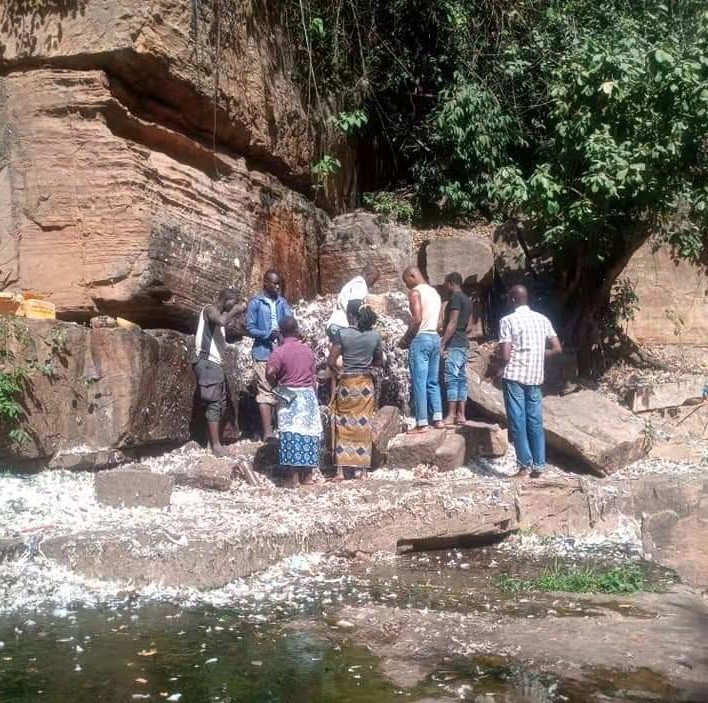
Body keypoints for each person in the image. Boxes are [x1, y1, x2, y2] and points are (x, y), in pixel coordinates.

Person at [498, 284, 562, 478]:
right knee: (535, 420)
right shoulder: (542, 320)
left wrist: (498, 368)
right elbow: (557, 349)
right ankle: (540, 465)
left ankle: (524, 465)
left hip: (514, 375)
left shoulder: (507, 320)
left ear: (513, 299)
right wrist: (538, 353)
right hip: (535, 376)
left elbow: (506, 354)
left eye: (509, 299)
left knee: (518, 420)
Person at [327, 300, 383, 480]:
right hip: (365, 386)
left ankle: (341, 471)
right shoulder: (375, 336)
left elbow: (330, 361)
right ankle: (362, 470)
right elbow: (379, 362)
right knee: (363, 425)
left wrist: (340, 372)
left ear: (350, 316)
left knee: (343, 423)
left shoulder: (341, 334)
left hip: (347, 385)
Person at [266, 317, 321, 489]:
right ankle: (309, 476)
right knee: (309, 434)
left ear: (280, 332)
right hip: (308, 395)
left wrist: (274, 385)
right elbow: (313, 377)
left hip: (289, 396)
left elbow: (270, 371)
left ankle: (294, 479)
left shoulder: (279, 351)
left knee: (291, 435)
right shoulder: (307, 350)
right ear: (296, 331)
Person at [193, 289, 246, 456]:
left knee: (221, 403)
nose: (234, 306)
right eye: (233, 302)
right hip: (207, 362)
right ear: (226, 300)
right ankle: (215, 446)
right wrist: (236, 309)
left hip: (215, 364)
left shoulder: (220, 314)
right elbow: (222, 321)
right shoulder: (210, 310)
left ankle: (213, 442)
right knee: (214, 403)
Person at [246, 270, 292, 441]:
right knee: (265, 389)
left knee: (281, 389)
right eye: (275, 283)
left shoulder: (282, 302)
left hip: (282, 352)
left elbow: (290, 321)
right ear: (266, 283)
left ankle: (281, 427)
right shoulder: (256, 303)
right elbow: (250, 329)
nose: (278, 286)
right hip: (263, 352)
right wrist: (267, 334)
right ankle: (267, 433)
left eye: (279, 283)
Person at [398, 266, 444, 432]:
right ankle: (438, 419)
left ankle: (422, 422)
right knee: (433, 381)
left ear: (412, 275)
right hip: (435, 338)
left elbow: (417, 319)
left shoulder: (415, 293)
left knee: (419, 381)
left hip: (421, 339)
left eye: (406, 282)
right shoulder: (435, 294)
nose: (407, 286)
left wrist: (405, 339)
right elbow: (439, 324)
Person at [440, 272, 472, 425]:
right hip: (464, 344)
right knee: (462, 379)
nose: (444, 286)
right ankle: (461, 415)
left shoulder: (456, 298)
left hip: (454, 344)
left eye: (446, 283)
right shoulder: (468, 300)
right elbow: (470, 326)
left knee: (452, 379)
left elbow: (452, 322)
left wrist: (442, 343)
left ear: (451, 282)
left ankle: (451, 415)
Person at [326, 264, 380, 343]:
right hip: (342, 326)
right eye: (374, 279)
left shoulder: (353, 283)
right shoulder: (360, 284)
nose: (373, 283)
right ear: (367, 274)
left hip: (336, 325)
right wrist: (359, 328)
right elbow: (354, 305)